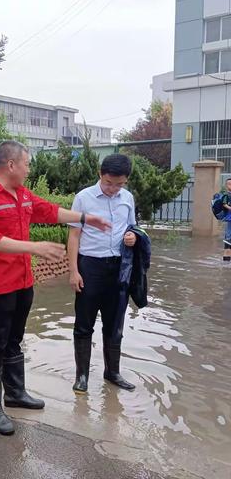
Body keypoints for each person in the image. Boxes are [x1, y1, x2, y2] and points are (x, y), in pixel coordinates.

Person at [0, 140, 110, 435]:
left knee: (15, 339)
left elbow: (49, 211)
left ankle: (15, 394)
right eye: (27, 163)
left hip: (22, 279)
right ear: (11, 165)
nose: (29, 168)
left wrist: (86, 218)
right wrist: (35, 247)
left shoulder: (21, 194)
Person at [68, 154, 137, 395]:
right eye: (109, 183)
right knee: (84, 324)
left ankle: (112, 372)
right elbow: (74, 236)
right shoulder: (83, 198)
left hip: (118, 269)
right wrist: (74, 271)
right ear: (100, 174)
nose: (113, 188)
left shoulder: (127, 198)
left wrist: (133, 237)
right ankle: (82, 376)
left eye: (119, 184)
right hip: (90, 267)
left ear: (125, 181)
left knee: (114, 324)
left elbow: (132, 228)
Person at [222, 177, 231, 261]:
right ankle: (226, 260)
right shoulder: (226, 195)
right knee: (228, 237)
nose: (230, 185)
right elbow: (224, 204)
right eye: (228, 184)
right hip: (230, 217)